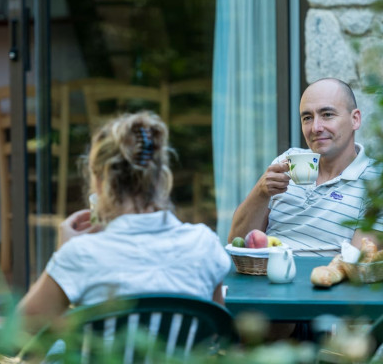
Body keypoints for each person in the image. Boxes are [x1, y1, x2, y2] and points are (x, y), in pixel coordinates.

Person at [19, 111, 230, 333]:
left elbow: (16, 335)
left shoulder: (81, 255)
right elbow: (217, 336)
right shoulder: (205, 245)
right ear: (161, 177)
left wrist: (63, 255)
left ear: (100, 182)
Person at [229, 77, 383, 254]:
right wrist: (261, 192)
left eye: (327, 115)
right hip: (266, 270)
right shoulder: (287, 161)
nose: (316, 127)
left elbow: (357, 263)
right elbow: (237, 242)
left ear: (355, 119)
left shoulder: (376, 182)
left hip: (326, 272)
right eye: (307, 118)